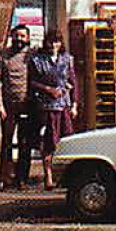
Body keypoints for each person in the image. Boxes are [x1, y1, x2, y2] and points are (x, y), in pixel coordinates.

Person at [27, 29, 76, 190]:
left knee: (67, 141)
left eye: (57, 41)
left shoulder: (67, 59)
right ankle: (48, 175)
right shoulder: (37, 60)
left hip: (64, 105)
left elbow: (72, 82)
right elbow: (32, 81)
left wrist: (74, 104)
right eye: (51, 41)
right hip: (46, 106)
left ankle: (65, 176)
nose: (54, 45)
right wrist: (48, 89)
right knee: (48, 142)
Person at [0, 24, 32, 188]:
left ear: (28, 38)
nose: (19, 39)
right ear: (12, 36)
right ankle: (5, 177)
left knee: (25, 144)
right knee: (7, 143)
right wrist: (0, 105)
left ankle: (22, 178)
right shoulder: (3, 55)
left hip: (27, 106)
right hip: (8, 106)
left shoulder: (32, 55)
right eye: (17, 36)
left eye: (23, 36)